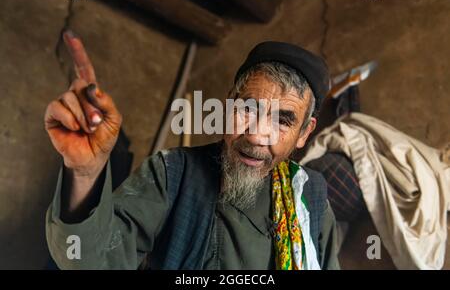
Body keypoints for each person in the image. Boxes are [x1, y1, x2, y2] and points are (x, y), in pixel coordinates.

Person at [45, 31, 340, 270]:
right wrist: (84, 172)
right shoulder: (172, 175)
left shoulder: (309, 197)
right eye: (248, 109)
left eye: (282, 120)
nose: (257, 135)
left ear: (304, 133)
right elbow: (91, 261)